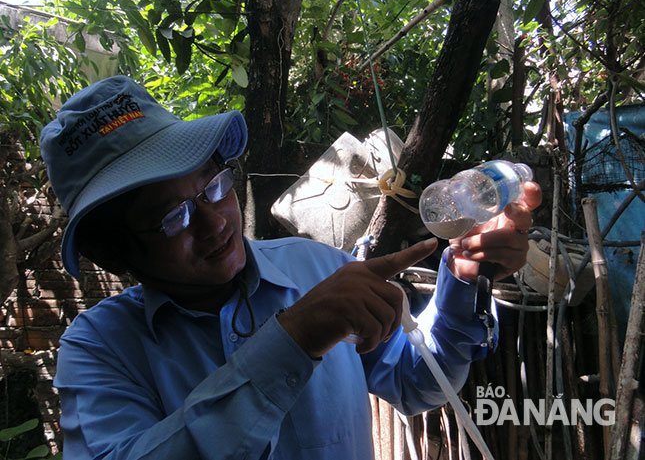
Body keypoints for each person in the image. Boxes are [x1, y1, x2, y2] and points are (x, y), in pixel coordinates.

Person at [40, 75, 541, 460]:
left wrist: (465, 277)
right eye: (172, 217)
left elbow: (419, 380)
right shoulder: (99, 349)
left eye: (214, 185)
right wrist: (293, 340)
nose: (215, 222)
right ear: (112, 253)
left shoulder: (318, 267)